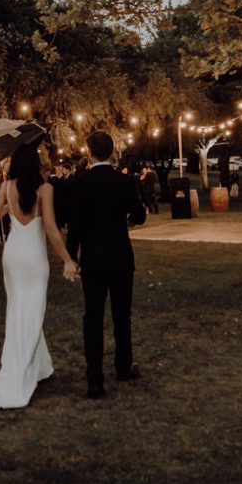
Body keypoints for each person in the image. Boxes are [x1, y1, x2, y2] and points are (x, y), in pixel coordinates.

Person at [0, 143, 78, 412]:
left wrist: (7, 210)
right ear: (35, 165)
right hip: (33, 258)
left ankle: (41, 366)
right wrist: (68, 259)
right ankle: (18, 372)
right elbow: (50, 227)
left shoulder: (6, 187)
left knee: (19, 309)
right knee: (32, 311)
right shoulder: (45, 189)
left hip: (12, 256)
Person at [65, 131, 147, 399]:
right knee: (122, 314)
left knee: (93, 317)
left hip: (93, 259)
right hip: (121, 257)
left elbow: (74, 226)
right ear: (111, 152)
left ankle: (95, 380)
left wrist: (71, 257)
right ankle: (123, 367)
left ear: (90, 152)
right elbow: (139, 215)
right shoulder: (124, 182)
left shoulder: (80, 183)